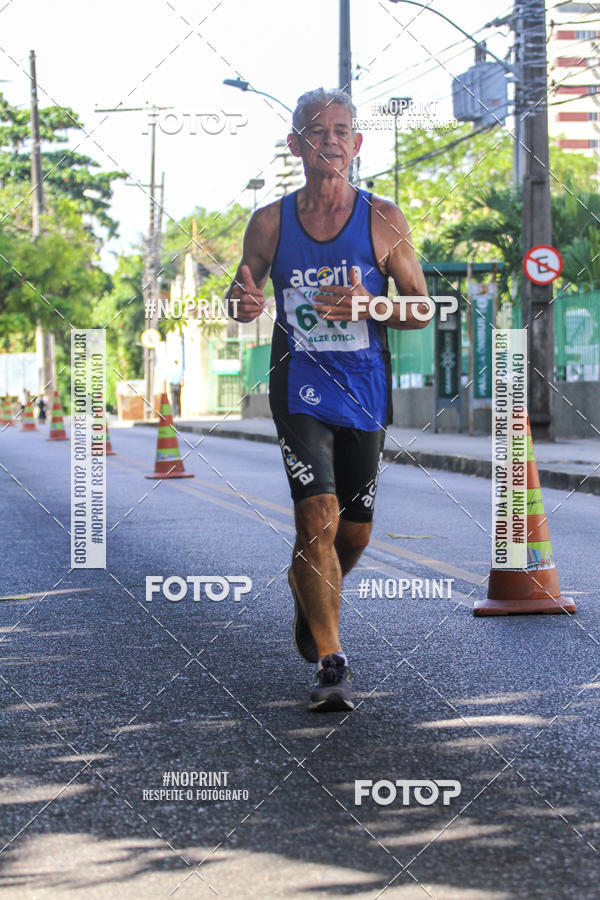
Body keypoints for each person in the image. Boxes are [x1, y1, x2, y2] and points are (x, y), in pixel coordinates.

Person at [227, 87, 430, 712]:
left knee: (354, 535)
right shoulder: (269, 221)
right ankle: (331, 659)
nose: (332, 140)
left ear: (357, 144)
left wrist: (371, 304)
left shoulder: (383, 217)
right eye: (318, 132)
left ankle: (306, 591)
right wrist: (244, 302)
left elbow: (421, 307)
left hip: (364, 387)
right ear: (296, 145)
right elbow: (239, 297)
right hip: (300, 386)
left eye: (343, 130)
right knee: (316, 516)